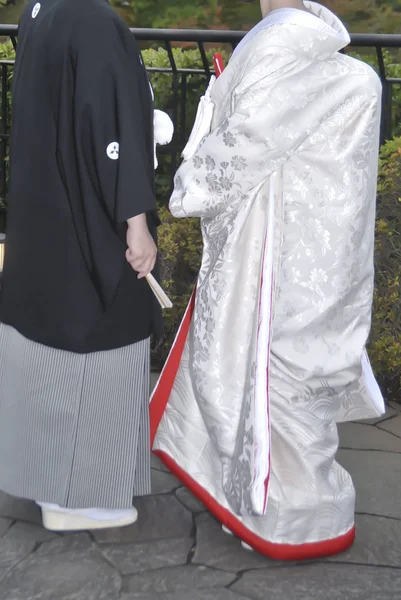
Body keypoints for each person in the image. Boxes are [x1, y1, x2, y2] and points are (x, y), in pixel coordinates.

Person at [150, 0, 386, 560]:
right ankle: (313, 507)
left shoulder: (280, 46)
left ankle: (284, 518)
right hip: (330, 250)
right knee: (307, 368)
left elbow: (245, 144)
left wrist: (187, 187)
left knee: (262, 371)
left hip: (277, 250)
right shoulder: (348, 67)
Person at [0, 0, 164, 532]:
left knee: (42, 341)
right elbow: (111, 130)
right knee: (98, 338)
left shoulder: (37, 13)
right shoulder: (96, 23)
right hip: (85, 225)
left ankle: (47, 486)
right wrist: (136, 223)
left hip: (41, 216)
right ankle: (80, 496)